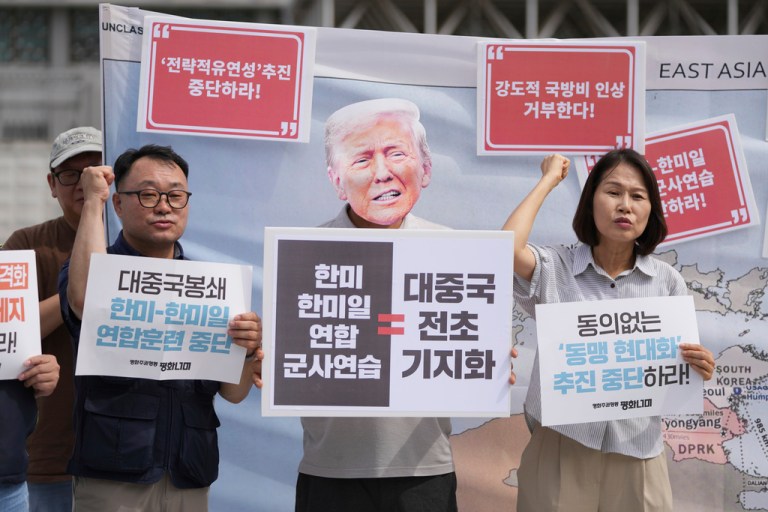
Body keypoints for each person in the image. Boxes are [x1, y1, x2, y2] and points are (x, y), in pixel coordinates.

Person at [297, 98, 516, 512]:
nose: (383, 172)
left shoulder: (454, 251)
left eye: (397, 153)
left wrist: (485, 362)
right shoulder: (303, 254)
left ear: (426, 168)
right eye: (362, 159)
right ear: (336, 180)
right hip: (329, 471)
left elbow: (464, 356)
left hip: (422, 471)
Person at [503, 150, 715, 512]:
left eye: (637, 196)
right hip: (562, 446)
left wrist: (700, 366)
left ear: (651, 211)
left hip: (639, 452)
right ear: (591, 202)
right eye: (613, 192)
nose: (625, 206)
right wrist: (549, 179)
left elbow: (677, 367)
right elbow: (503, 249)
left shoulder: (667, 281)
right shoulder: (556, 267)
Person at [58, 144, 263, 512]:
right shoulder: (95, 267)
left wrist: (247, 350)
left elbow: (233, 393)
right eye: (149, 195)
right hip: (114, 474)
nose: (164, 206)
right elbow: (87, 298)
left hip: (190, 473)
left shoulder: (212, 287)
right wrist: (92, 203)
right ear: (118, 204)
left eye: (176, 196)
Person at [2, 126, 102, 512]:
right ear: (52, 184)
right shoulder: (26, 245)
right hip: (45, 458)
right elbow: (9, 330)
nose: (84, 183)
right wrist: (77, 291)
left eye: (96, 170)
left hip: (124, 459)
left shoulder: (139, 243)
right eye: (71, 174)